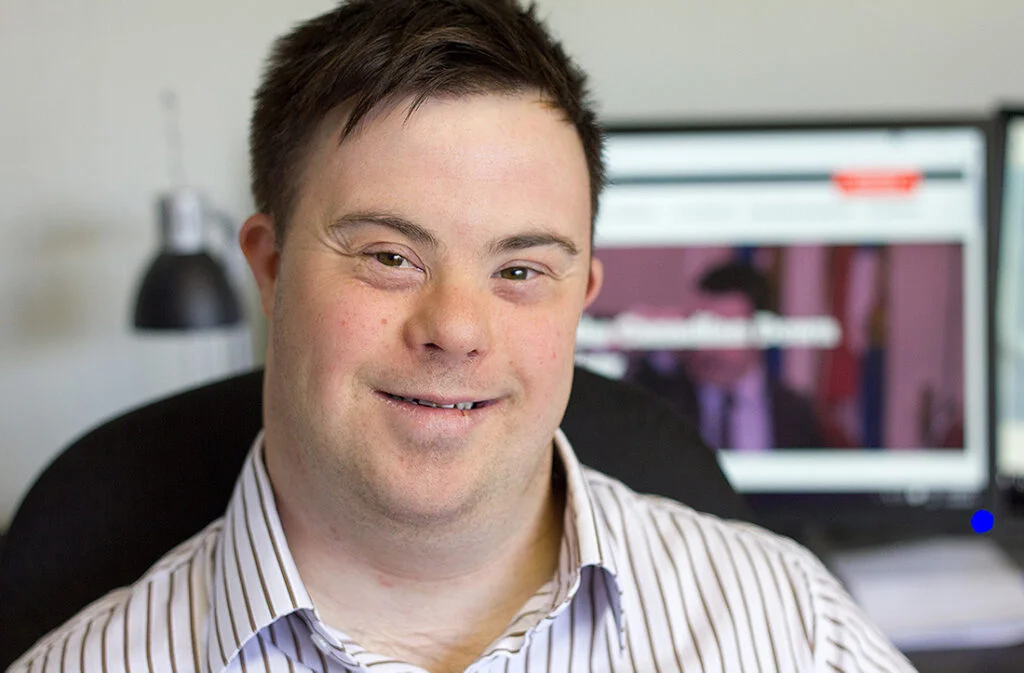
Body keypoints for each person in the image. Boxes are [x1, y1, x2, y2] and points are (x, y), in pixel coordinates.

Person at [9, 1, 915, 671]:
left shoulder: (794, 628)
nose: (455, 328)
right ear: (272, 268)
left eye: (520, 270)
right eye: (390, 256)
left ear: (581, 300)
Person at [629, 261, 825, 451]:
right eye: (700, 327)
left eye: (725, 329)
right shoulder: (662, 401)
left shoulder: (795, 412)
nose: (708, 346)